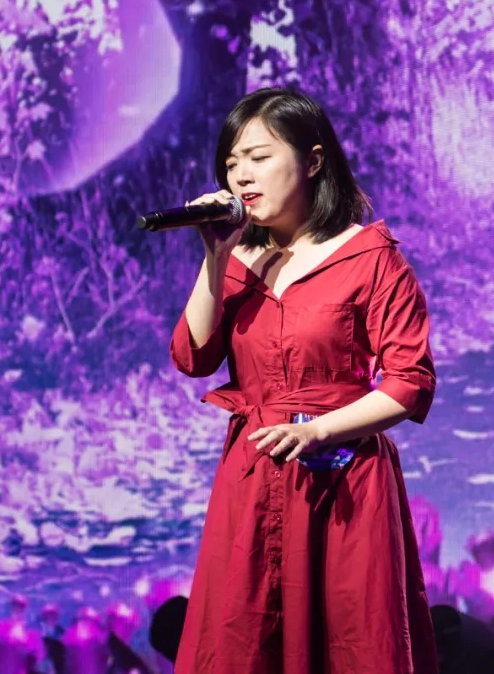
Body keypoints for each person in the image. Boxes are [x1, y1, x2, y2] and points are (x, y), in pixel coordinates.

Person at [168, 87, 439, 674]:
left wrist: (319, 431)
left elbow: (409, 382)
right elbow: (192, 356)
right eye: (232, 163)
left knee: (348, 639)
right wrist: (215, 257)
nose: (242, 176)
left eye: (259, 157)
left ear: (313, 160)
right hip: (252, 478)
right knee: (245, 641)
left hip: (342, 480)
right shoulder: (237, 260)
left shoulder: (371, 258)